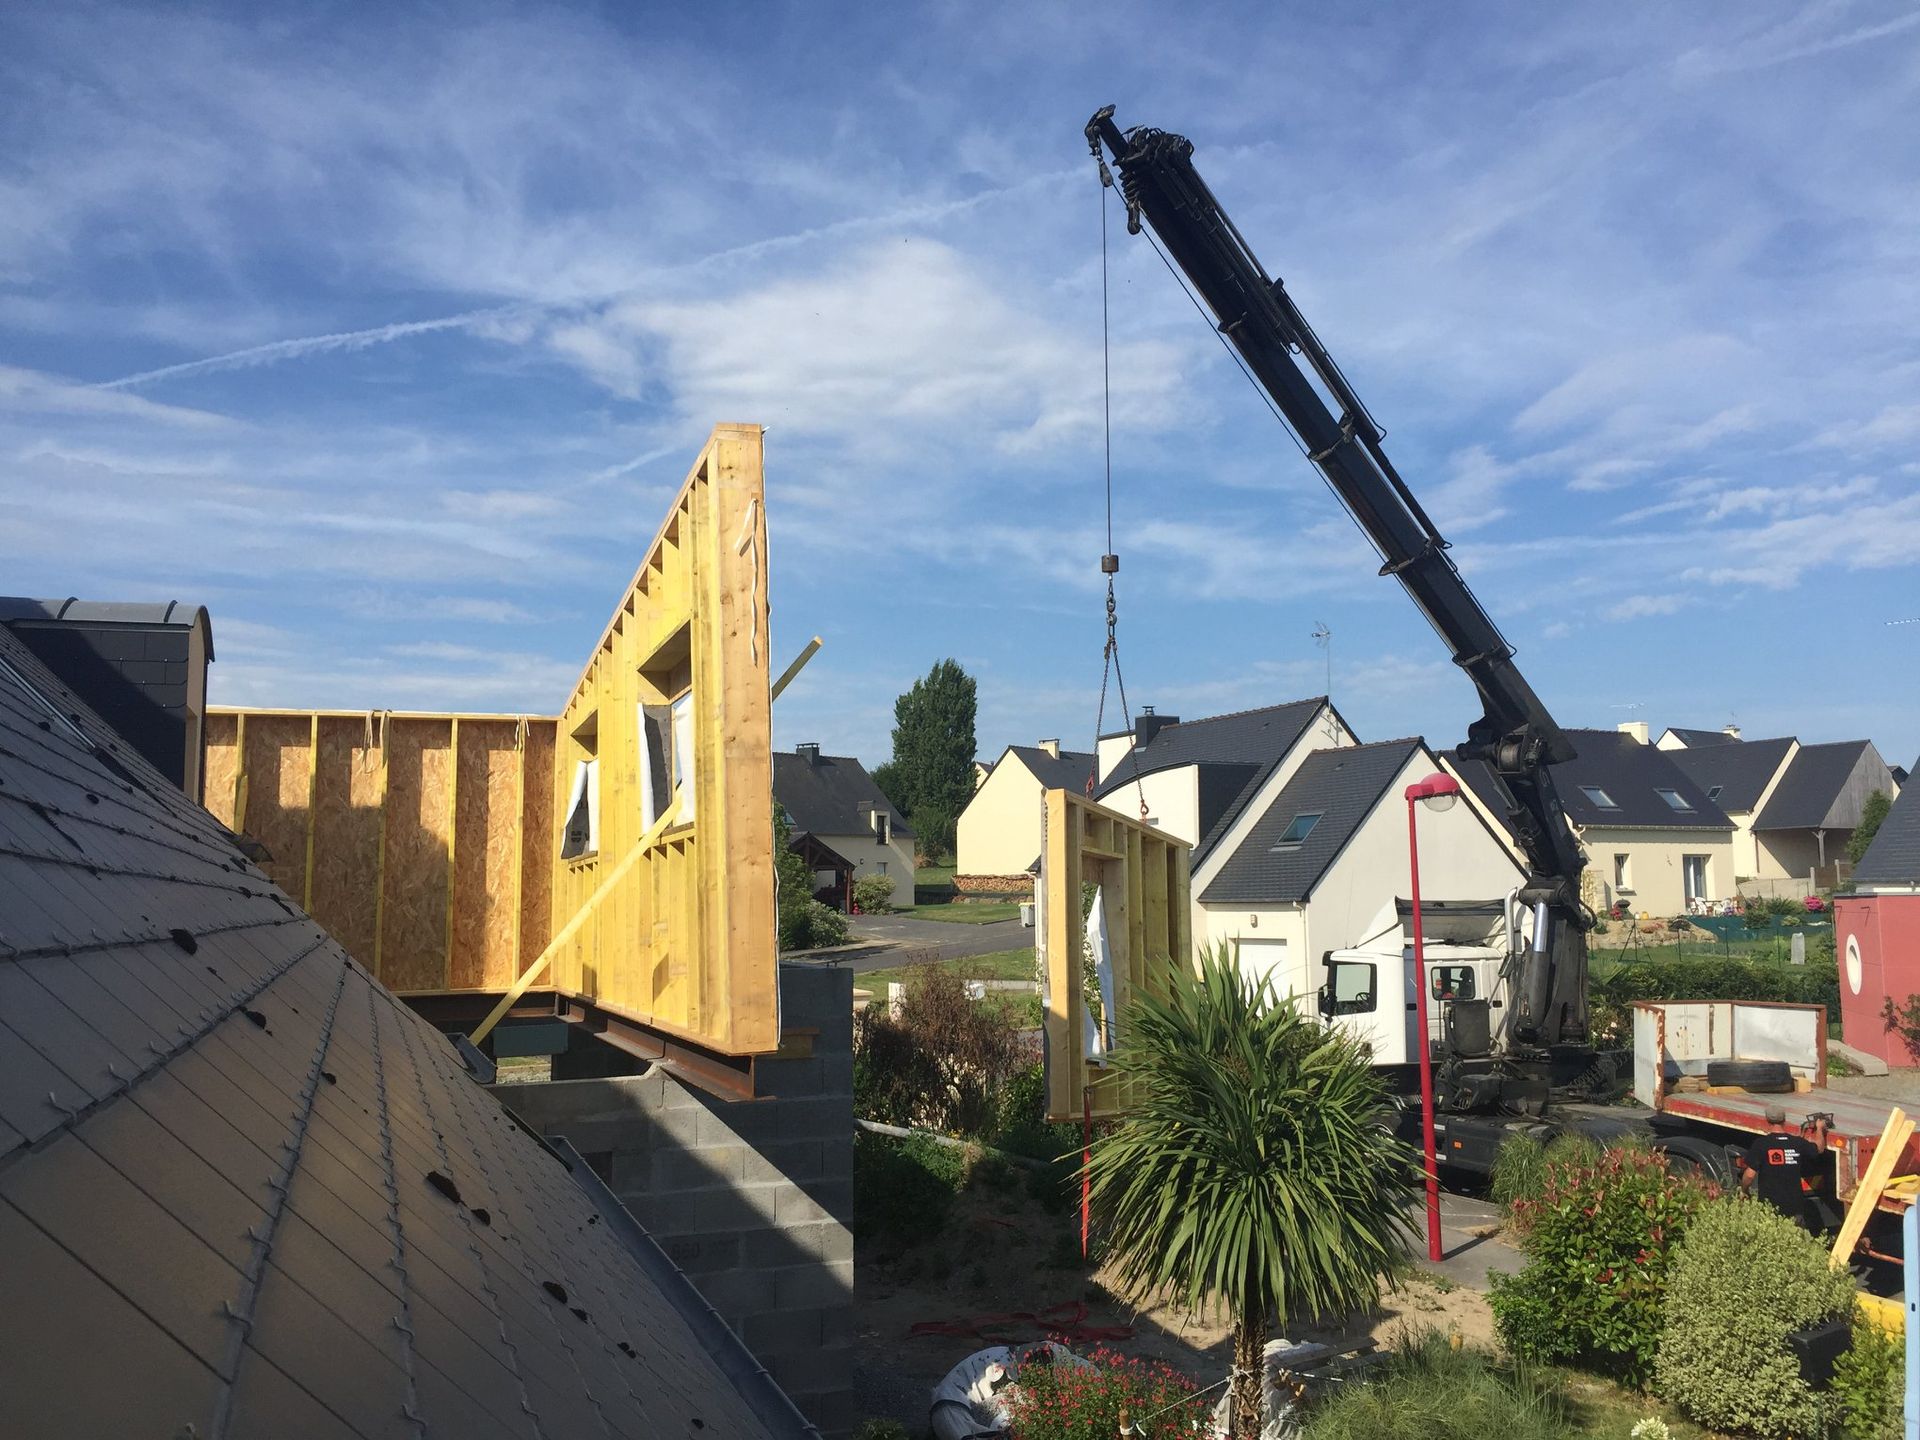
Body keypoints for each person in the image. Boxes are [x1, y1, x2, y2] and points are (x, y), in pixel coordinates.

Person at [1740, 1104, 1829, 1228]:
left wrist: (1744, 1190)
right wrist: (1820, 1128)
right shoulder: (1797, 1143)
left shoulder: (1761, 1144)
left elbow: (1749, 1176)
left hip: (1770, 1210)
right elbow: (1819, 1149)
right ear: (1784, 1120)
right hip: (1795, 1209)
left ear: (1767, 1120)